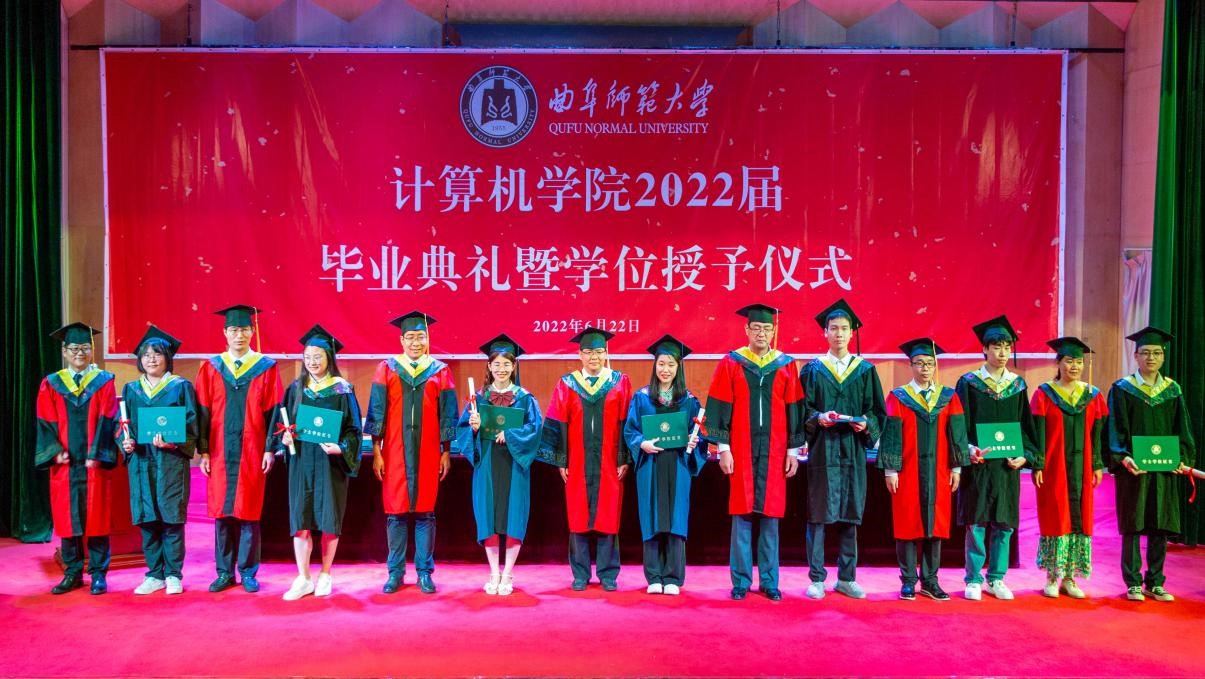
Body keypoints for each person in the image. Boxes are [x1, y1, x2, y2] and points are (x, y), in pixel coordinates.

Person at [705, 304, 804, 601]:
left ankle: (770, 581)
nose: (762, 333)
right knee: (742, 515)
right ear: (746, 330)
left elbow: (794, 408)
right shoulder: (731, 363)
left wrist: (793, 450)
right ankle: (740, 581)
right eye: (756, 328)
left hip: (775, 451)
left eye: (767, 329)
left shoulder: (785, 365)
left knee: (771, 517)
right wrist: (723, 448)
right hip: (742, 450)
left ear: (774, 331)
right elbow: (720, 405)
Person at [799, 299, 886, 600]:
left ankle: (847, 578)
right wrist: (817, 418)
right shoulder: (812, 370)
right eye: (833, 328)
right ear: (825, 332)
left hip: (852, 451)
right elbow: (801, 410)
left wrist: (866, 424)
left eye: (844, 329)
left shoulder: (864, 371)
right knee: (818, 515)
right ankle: (817, 579)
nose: (838, 333)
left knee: (850, 514)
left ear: (852, 333)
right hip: (823, 451)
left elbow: (877, 411)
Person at [365, 311, 457, 594]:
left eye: (421, 337)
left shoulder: (440, 371)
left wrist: (446, 451)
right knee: (396, 513)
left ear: (428, 338)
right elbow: (377, 410)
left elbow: (447, 414)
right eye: (411, 337)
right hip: (394, 451)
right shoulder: (387, 368)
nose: (416, 342)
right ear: (401, 339)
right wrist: (376, 450)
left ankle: (424, 573)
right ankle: (395, 573)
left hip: (428, 451)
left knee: (425, 513)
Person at [196, 304, 283, 593]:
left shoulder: (266, 367)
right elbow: (203, 412)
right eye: (234, 330)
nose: (239, 335)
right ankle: (224, 572)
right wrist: (204, 450)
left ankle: (247, 572)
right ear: (225, 333)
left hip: (252, 450)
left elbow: (274, 412)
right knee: (222, 512)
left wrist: (270, 449)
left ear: (252, 332)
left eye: (244, 329)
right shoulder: (211, 368)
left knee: (249, 511)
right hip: (219, 450)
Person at [539, 327, 633, 591]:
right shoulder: (567, 384)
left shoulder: (619, 382)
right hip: (578, 461)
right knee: (578, 514)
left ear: (606, 354)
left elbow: (627, 421)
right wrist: (561, 460)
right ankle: (580, 574)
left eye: (599, 352)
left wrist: (624, 457)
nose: (594, 357)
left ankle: (608, 574)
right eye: (589, 352)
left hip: (609, 460)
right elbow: (557, 422)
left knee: (608, 514)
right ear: (579, 355)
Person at [272, 325, 362, 601]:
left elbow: (354, 431)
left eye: (318, 356)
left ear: (329, 358)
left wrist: (341, 448)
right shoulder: (296, 389)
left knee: (328, 520)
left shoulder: (342, 390)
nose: (312, 361)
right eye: (308, 356)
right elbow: (284, 425)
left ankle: (325, 574)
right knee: (300, 520)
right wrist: (285, 439)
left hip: (329, 464)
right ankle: (303, 577)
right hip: (302, 463)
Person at [1107, 326, 1196, 602]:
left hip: (1164, 468)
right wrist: (1122, 457)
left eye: (1156, 353)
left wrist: (1182, 458)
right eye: (1145, 353)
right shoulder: (1122, 389)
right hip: (1135, 469)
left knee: (1161, 523)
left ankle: (1155, 582)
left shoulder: (1172, 390)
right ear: (1136, 356)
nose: (1151, 358)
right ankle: (1133, 582)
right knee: (1133, 524)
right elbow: (1114, 429)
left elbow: (1183, 428)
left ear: (1163, 356)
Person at [956, 315, 1040, 601]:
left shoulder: (1017, 386)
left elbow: (1026, 427)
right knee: (977, 522)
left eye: (1007, 347)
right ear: (984, 349)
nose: (1003, 353)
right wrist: (968, 449)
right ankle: (973, 578)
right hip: (979, 465)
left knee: (1004, 524)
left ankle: (997, 578)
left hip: (1006, 467)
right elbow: (959, 424)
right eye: (996, 347)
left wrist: (1024, 455)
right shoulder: (969, 383)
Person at [454, 334, 544, 596]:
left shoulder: (525, 398)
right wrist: (473, 427)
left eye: (507, 364)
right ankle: (494, 572)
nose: (502, 369)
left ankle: (508, 574)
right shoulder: (478, 398)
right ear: (489, 366)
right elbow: (462, 430)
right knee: (489, 516)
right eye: (497, 364)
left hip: (515, 463)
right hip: (487, 462)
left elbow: (535, 429)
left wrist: (512, 435)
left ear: (514, 366)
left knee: (513, 516)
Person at [879, 338, 968, 601]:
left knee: (935, 525)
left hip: (939, 471)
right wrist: (890, 470)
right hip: (907, 471)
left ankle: (930, 581)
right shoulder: (899, 397)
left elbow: (957, 434)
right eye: (919, 363)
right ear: (911, 365)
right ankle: (908, 580)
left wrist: (956, 467)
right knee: (907, 524)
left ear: (935, 366)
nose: (925, 368)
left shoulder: (948, 397)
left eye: (929, 363)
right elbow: (891, 434)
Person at [34, 322, 120, 595]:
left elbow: (109, 417)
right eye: (74, 348)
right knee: (67, 518)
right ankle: (72, 573)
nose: (80, 353)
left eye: (84, 347)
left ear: (91, 350)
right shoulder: (52, 383)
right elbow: (45, 419)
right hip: (66, 463)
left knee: (97, 518)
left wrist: (98, 453)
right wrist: (54, 450)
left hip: (94, 463)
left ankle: (98, 574)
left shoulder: (103, 382)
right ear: (64, 351)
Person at [623, 335, 707, 595]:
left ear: (678, 367)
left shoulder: (689, 400)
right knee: (651, 516)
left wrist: (694, 442)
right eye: (661, 363)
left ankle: (672, 577)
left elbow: (698, 435)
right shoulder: (641, 398)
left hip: (678, 465)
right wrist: (642, 443)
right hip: (650, 463)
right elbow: (630, 430)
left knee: (676, 518)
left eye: (671, 364)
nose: (665, 369)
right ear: (654, 365)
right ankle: (654, 577)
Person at [118, 326, 198, 596]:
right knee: (147, 517)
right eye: (146, 355)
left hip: (171, 460)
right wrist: (125, 443)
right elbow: (122, 425)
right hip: (141, 461)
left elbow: (192, 425)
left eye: (157, 354)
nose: (151, 359)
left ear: (167, 358)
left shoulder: (181, 387)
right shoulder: (131, 389)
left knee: (171, 517)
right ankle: (154, 574)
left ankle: (173, 574)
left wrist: (174, 442)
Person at [1030, 337, 1107, 599]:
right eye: (1069, 361)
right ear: (1058, 363)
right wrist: (1038, 464)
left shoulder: (1092, 396)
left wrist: (1097, 463)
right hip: (1054, 467)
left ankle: (1070, 577)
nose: (1074, 366)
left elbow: (1097, 434)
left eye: (1079, 362)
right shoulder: (1044, 394)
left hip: (1082, 468)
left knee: (1079, 517)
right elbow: (1038, 432)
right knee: (1055, 515)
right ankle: (1052, 576)